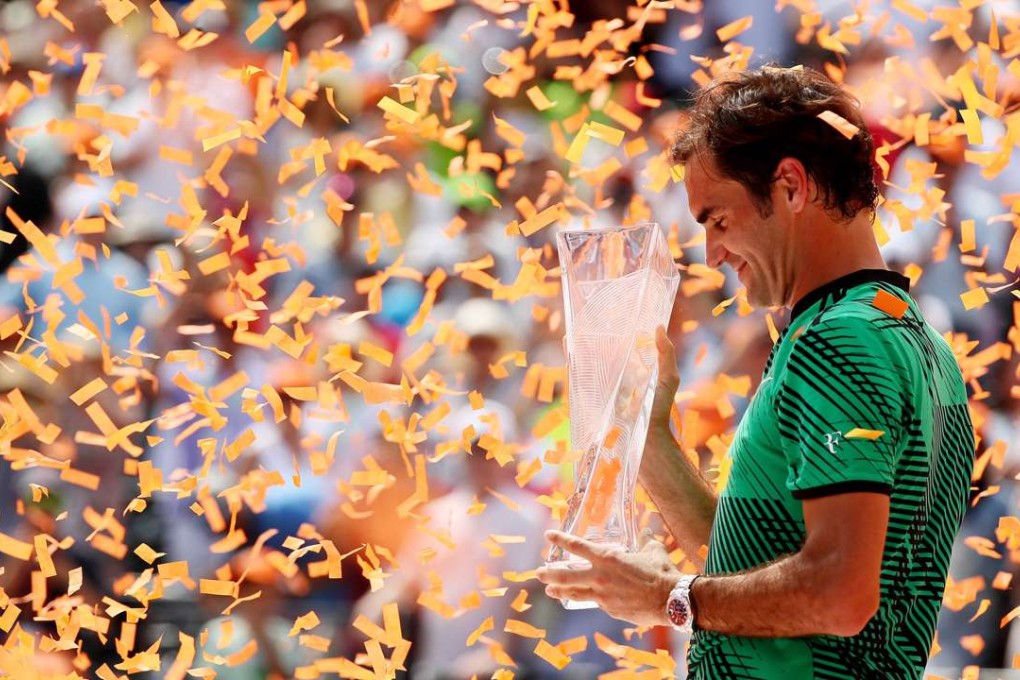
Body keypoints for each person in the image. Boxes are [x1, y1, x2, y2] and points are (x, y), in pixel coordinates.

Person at [536, 64, 976, 679]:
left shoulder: (839, 339)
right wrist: (647, 432)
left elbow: (840, 594)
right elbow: (753, 560)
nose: (712, 253)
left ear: (791, 186)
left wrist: (670, 598)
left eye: (718, 219)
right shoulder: (906, 335)